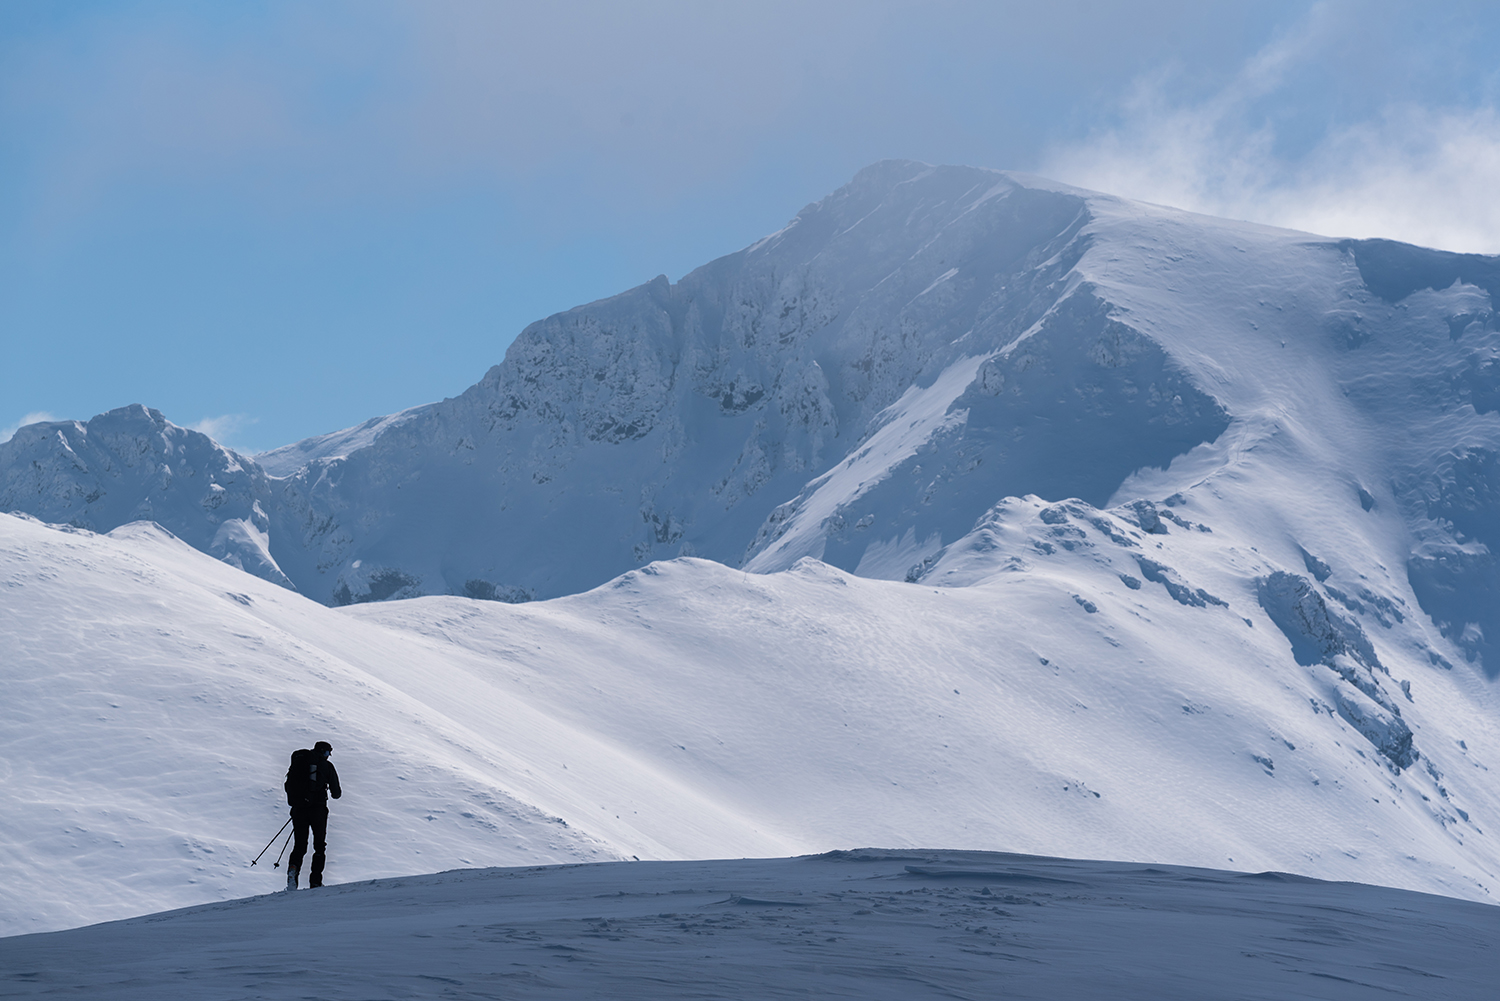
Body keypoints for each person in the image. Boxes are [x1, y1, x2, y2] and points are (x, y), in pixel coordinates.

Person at [284, 740, 341, 890]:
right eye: (328, 752)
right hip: (318, 810)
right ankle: (315, 881)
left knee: (300, 845)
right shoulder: (326, 766)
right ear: (324, 752)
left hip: (299, 809)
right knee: (319, 846)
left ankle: (293, 871)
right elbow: (336, 794)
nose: (329, 756)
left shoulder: (300, 763)